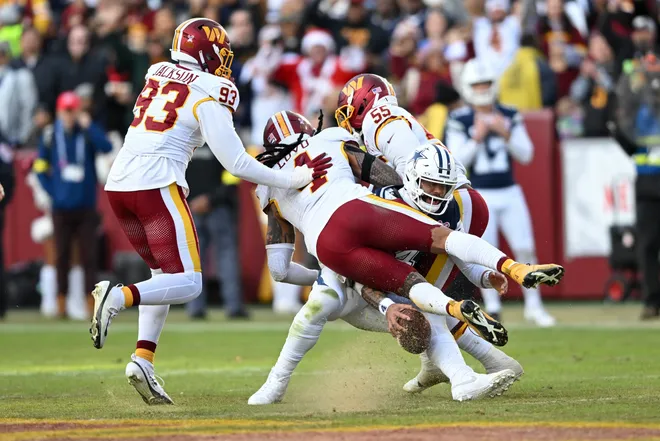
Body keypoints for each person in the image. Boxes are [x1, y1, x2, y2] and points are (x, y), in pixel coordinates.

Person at [88, 18, 330, 406]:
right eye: (220, 52)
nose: (225, 60)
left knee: (163, 277)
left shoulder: (157, 74)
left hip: (120, 186)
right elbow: (235, 162)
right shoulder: (210, 92)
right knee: (189, 281)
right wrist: (291, 178)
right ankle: (118, 296)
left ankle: (143, 360)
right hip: (156, 183)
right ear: (205, 52)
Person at [248, 135, 526, 405]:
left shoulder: (446, 211)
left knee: (428, 309)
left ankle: (479, 368)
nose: (437, 194)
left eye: (443, 187)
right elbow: (362, 269)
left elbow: (456, 254)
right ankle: (275, 382)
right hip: (351, 276)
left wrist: (484, 275)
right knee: (321, 302)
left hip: (382, 274)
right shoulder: (383, 204)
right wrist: (386, 306)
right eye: (430, 185)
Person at [445, 58, 556, 327]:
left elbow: (527, 153)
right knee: (486, 254)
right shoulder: (460, 119)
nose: (482, 88)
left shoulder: (509, 113)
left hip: (510, 190)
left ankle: (534, 305)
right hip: (479, 193)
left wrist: (505, 133)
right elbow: (455, 161)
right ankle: (493, 306)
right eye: (477, 84)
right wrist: (478, 136)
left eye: (486, 83)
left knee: (525, 248)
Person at [33, 91, 112, 320]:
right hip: (61, 207)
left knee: (90, 257)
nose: (69, 116)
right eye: (66, 111)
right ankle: (61, 302)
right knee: (61, 256)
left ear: (78, 111)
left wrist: (89, 126)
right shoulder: (50, 136)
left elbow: (106, 147)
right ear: (59, 112)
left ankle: (91, 303)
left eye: (73, 110)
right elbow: (39, 168)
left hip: (86, 206)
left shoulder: (85, 134)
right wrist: (53, 192)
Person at [185, 144, 247, 320]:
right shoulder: (221, 136)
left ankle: (195, 307)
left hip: (192, 207)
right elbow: (234, 175)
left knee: (194, 260)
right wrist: (213, 198)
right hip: (218, 206)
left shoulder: (185, 136)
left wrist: (190, 199)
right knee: (226, 256)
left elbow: (174, 171)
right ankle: (233, 306)